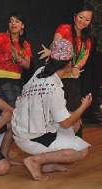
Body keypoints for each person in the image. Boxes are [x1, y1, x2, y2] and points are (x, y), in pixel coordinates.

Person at [12, 39, 92, 181]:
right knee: (82, 150)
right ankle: (35, 160)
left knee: (76, 122)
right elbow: (65, 123)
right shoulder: (54, 88)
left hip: (22, 129)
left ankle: (48, 163)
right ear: (68, 65)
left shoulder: (40, 71)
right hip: (32, 136)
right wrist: (83, 107)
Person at [38, 2, 94, 137]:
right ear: (75, 16)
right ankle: (55, 144)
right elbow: (57, 47)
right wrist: (51, 52)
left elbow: (83, 59)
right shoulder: (64, 28)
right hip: (57, 77)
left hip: (73, 80)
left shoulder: (87, 38)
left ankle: (74, 143)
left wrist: (76, 67)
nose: (83, 21)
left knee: (75, 112)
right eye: (81, 17)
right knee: (58, 113)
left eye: (87, 19)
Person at [0, 12, 32, 117]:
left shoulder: (25, 44)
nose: (13, 24)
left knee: (15, 110)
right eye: (11, 21)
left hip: (17, 78)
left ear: (22, 25)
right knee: (4, 110)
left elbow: (27, 65)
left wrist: (19, 60)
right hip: (1, 76)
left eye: (17, 21)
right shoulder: (1, 36)